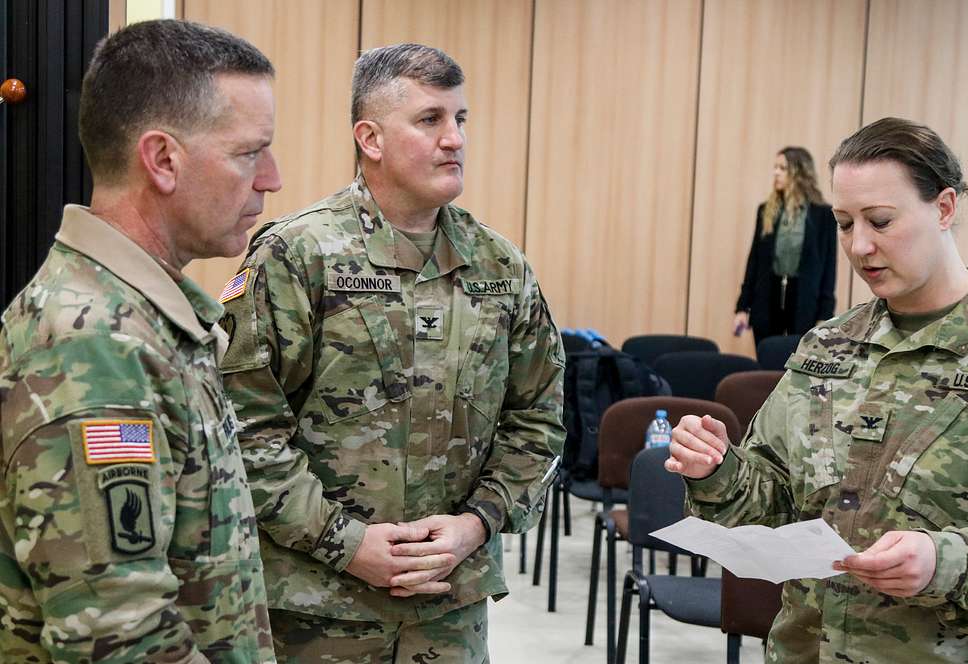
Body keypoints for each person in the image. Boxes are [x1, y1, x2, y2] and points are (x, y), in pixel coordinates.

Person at [218, 43, 565, 662]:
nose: (454, 139)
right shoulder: (299, 255)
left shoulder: (499, 266)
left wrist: (479, 523)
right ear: (370, 138)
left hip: (449, 605)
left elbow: (538, 420)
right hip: (318, 607)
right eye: (430, 120)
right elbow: (243, 429)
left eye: (461, 120)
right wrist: (346, 542)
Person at [668, 117, 968, 662]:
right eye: (843, 223)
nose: (859, 246)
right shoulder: (829, 347)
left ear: (945, 208)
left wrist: (941, 562)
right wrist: (717, 471)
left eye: (881, 221)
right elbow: (778, 501)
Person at [0, 19, 282, 663]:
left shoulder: (146, 319)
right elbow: (116, 638)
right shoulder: (95, 343)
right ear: (161, 160)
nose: (271, 178)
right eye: (248, 153)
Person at [733, 147, 837, 346]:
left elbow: (828, 268)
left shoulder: (823, 215)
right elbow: (754, 261)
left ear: (799, 172)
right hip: (767, 301)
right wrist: (741, 308)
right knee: (767, 363)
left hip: (804, 303)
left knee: (797, 369)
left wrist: (826, 314)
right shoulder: (766, 210)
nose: (776, 173)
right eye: (775, 167)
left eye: (782, 168)